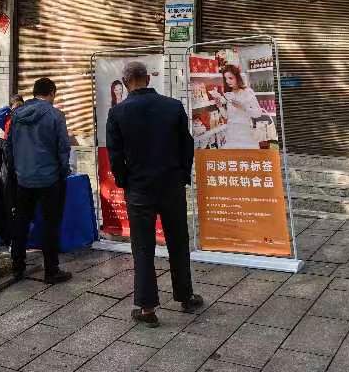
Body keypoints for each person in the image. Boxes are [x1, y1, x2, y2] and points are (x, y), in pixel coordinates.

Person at [106, 61, 202, 328]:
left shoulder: (118, 113)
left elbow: (115, 156)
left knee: (143, 247)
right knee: (178, 242)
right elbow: (187, 146)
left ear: (126, 82)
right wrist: (182, 176)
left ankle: (147, 308)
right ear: (148, 79)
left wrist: (126, 183)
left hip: (139, 189)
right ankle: (185, 296)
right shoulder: (173, 106)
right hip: (171, 186)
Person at [5, 78, 72, 285]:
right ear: (51, 92)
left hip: (23, 178)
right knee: (50, 224)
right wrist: (63, 171)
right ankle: (51, 270)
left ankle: (17, 266)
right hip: (50, 178)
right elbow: (63, 148)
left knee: (21, 222)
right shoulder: (56, 115)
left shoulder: (17, 115)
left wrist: (16, 170)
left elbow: (9, 146)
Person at [209, 64, 262, 149]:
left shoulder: (247, 92)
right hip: (231, 134)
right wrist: (220, 107)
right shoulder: (228, 94)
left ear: (237, 77)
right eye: (226, 79)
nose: (228, 81)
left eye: (230, 78)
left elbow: (258, 113)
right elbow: (227, 116)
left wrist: (243, 108)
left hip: (245, 133)